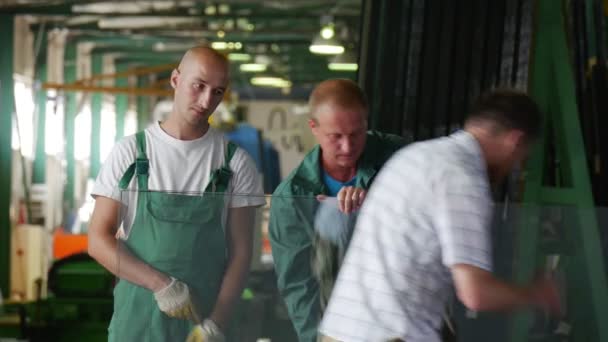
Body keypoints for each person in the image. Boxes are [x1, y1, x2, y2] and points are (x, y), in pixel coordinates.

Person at [318, 89, 561, 342]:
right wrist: (537, 295)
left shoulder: (415, 156)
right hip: (389, 336)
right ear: (515, 141)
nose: (515, 165)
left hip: (340, 331)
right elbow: (476, 293)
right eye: (520, 158)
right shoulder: (463, 178)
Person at [87, 46, 264, 342]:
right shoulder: (131, 153)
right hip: (137, 323)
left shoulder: (234, 163)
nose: (207, 100)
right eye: (199, 86)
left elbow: (241, 254)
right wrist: (161, 284)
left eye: (218, 92)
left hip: (200, 323)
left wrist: (216, 325)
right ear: (175, 80)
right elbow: (97, 240)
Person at [269, 79, 408, 342]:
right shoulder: (291, 198)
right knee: (332, 218)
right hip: (340, 326)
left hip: (402, 318)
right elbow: (299, 285)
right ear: (314, 128)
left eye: (356, 134)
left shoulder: (400, 157)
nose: (347, 147)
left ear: (366, 123)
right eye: (336, 137)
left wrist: (377, 203)